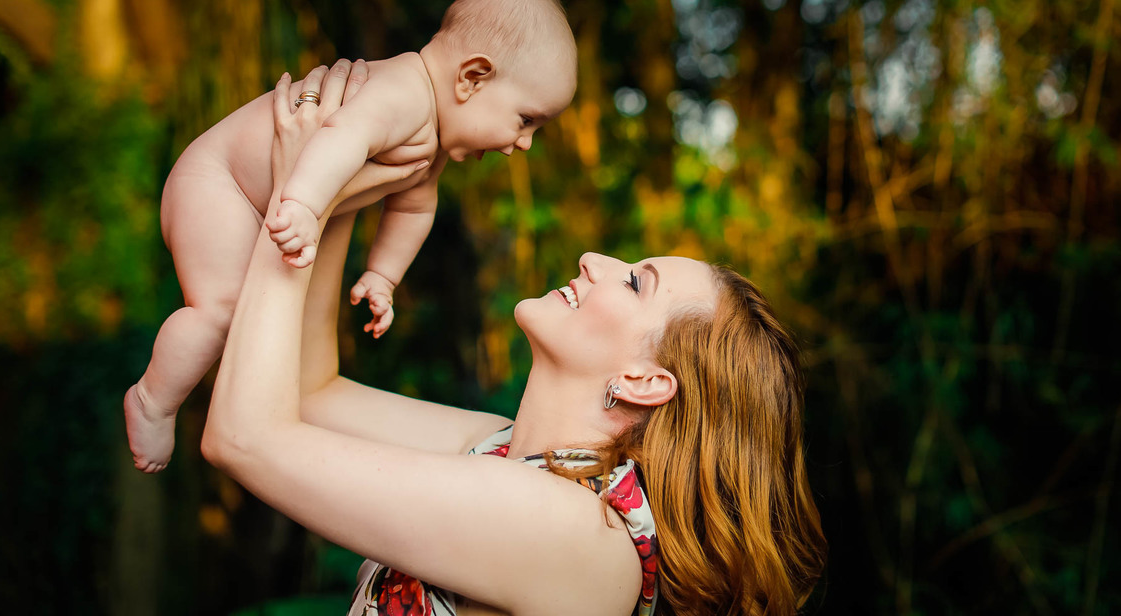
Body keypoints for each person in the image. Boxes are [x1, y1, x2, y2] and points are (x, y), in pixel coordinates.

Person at [201, 73, 828, 615]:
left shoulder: (578, 531)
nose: (593, 260)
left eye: (636, 281)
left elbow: (245, 438)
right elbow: (311, 394)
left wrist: (294, 195)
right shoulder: (500, 450)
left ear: (645, 379)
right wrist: (334, 184)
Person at [126, 0, 578, 473]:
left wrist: (383, 276)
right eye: (526, 120)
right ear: (471, 78)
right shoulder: (404, 94)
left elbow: (412, 209)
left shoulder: (434, 141)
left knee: (245, 319)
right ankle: (153, 400)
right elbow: (342, 136)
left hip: (257, 200)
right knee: (222, 309)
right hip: (218, 183)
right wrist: (301, 204)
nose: (525, 144)